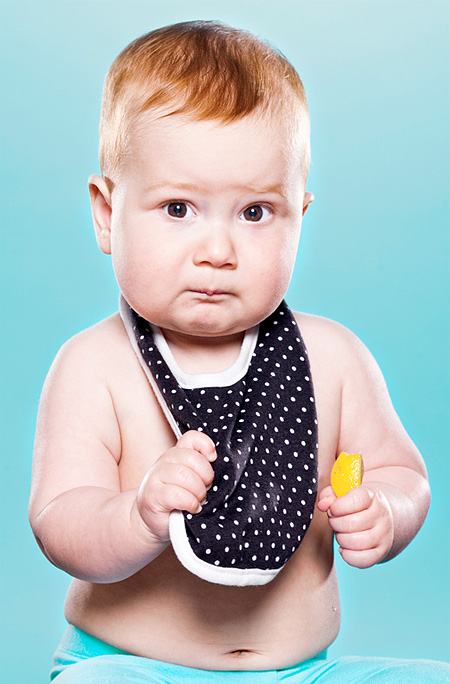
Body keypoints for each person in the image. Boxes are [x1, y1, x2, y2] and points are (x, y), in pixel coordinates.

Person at [29, 20, 450, 684]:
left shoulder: (333, 360)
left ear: (299, 216)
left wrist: (387, 510)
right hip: (135, 667)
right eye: (177, 209)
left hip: (304, 672)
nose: (218, 251)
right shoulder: (95, 368)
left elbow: (401, 471)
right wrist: (136, 513)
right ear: (108, 213)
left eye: (255, 213)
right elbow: (59, 522)